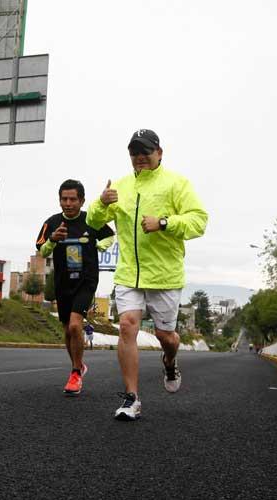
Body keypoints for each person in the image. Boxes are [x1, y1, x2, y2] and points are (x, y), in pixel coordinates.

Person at [87, 129, 208, 420]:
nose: (139, 158)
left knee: (167, 336)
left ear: (159, 153)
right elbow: (93, 221)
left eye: (145, 152)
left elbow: (199, 221)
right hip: (128, 273)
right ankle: (132, 398)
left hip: (164, 276)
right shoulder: (120, 186)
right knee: (127, 326)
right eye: (134, 153)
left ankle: (170, 360)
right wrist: (102, 202)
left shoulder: (177, 184)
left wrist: (164, 222)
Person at [36, 179, 114, 396]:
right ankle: (79, 365)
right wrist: (53, 239)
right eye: (64, 199)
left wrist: (97, 245)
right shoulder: (52, 222)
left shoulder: (92, 219)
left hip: (86, 280)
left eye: (72, 199)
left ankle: (75, 373)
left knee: (74, 326)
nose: (68, 203)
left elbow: (110, 236)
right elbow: (42, 250)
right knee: (67, 331)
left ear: (82, 200)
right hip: (63, 282)